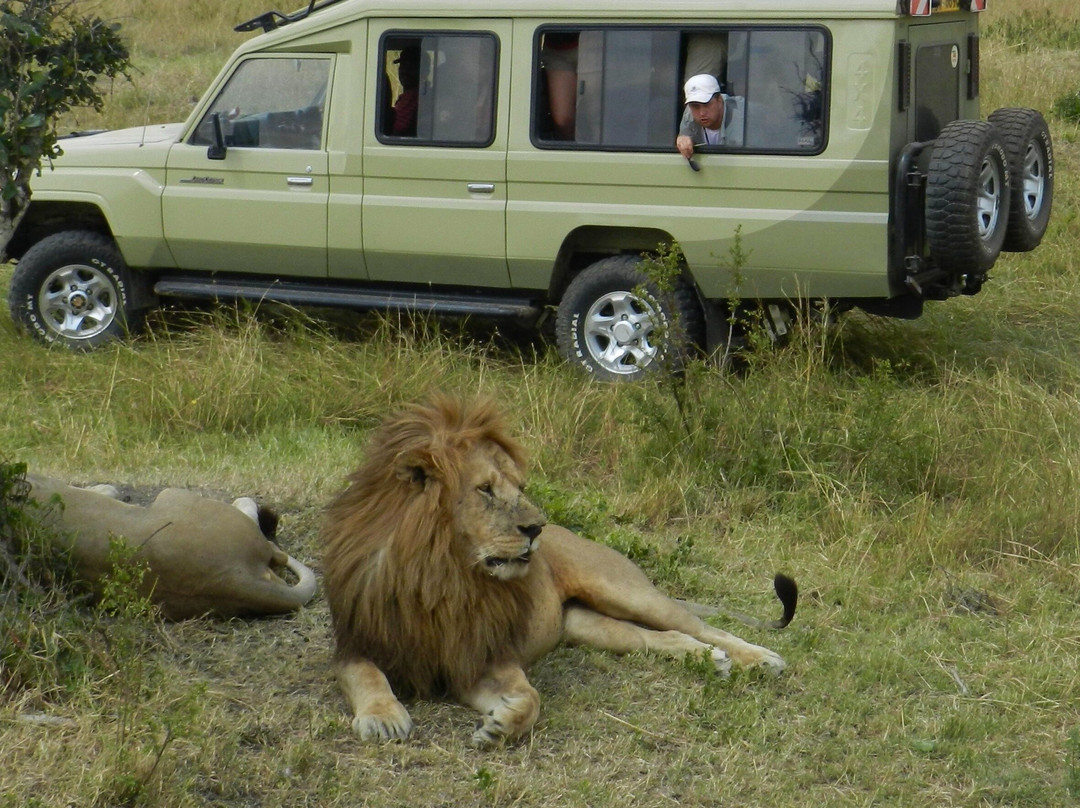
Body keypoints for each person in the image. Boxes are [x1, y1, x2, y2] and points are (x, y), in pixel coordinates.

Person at [675, 73, 743, 158]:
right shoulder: (689, 113)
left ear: (719, 100)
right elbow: (684, 137)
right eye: (695, 106)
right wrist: (682, 140)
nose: (702, 113)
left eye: (706, 104)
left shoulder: (743, 115)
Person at [390, 45, 421, 137]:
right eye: (402, 66)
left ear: (423, 70)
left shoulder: (416, 96)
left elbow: (398, 127)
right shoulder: (407, 96)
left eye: (410, 67)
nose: (404, 71)